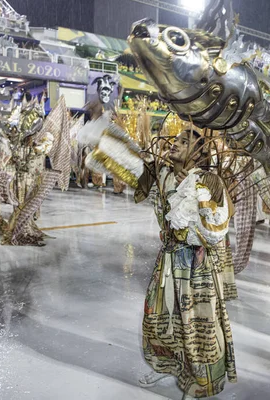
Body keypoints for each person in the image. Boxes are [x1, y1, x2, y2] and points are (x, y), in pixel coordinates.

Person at [80, 115, 236, 399]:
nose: (175, 144)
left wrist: (197, 197)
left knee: (197, 321)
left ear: (200, 152)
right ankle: (168, 366)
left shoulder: (210, 181)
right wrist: (102, 139)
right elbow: (126, 164)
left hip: (196, 267)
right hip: (166, 261)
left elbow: (217, 228)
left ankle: (202, 379)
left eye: (184, 142)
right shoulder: (161, 174)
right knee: (160, 316)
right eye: (175, 140)